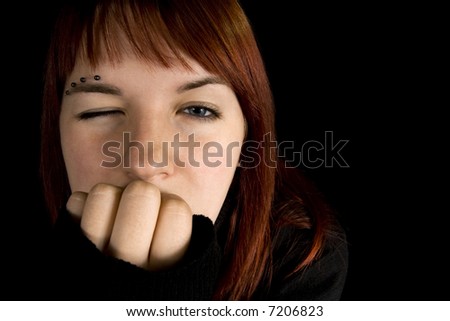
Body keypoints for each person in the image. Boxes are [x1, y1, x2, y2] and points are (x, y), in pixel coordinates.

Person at [37, 0, 348, 300]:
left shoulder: (303, 259)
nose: (146, 163)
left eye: (198, 110)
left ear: (247, 136)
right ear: (57, 129)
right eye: (99, 111)